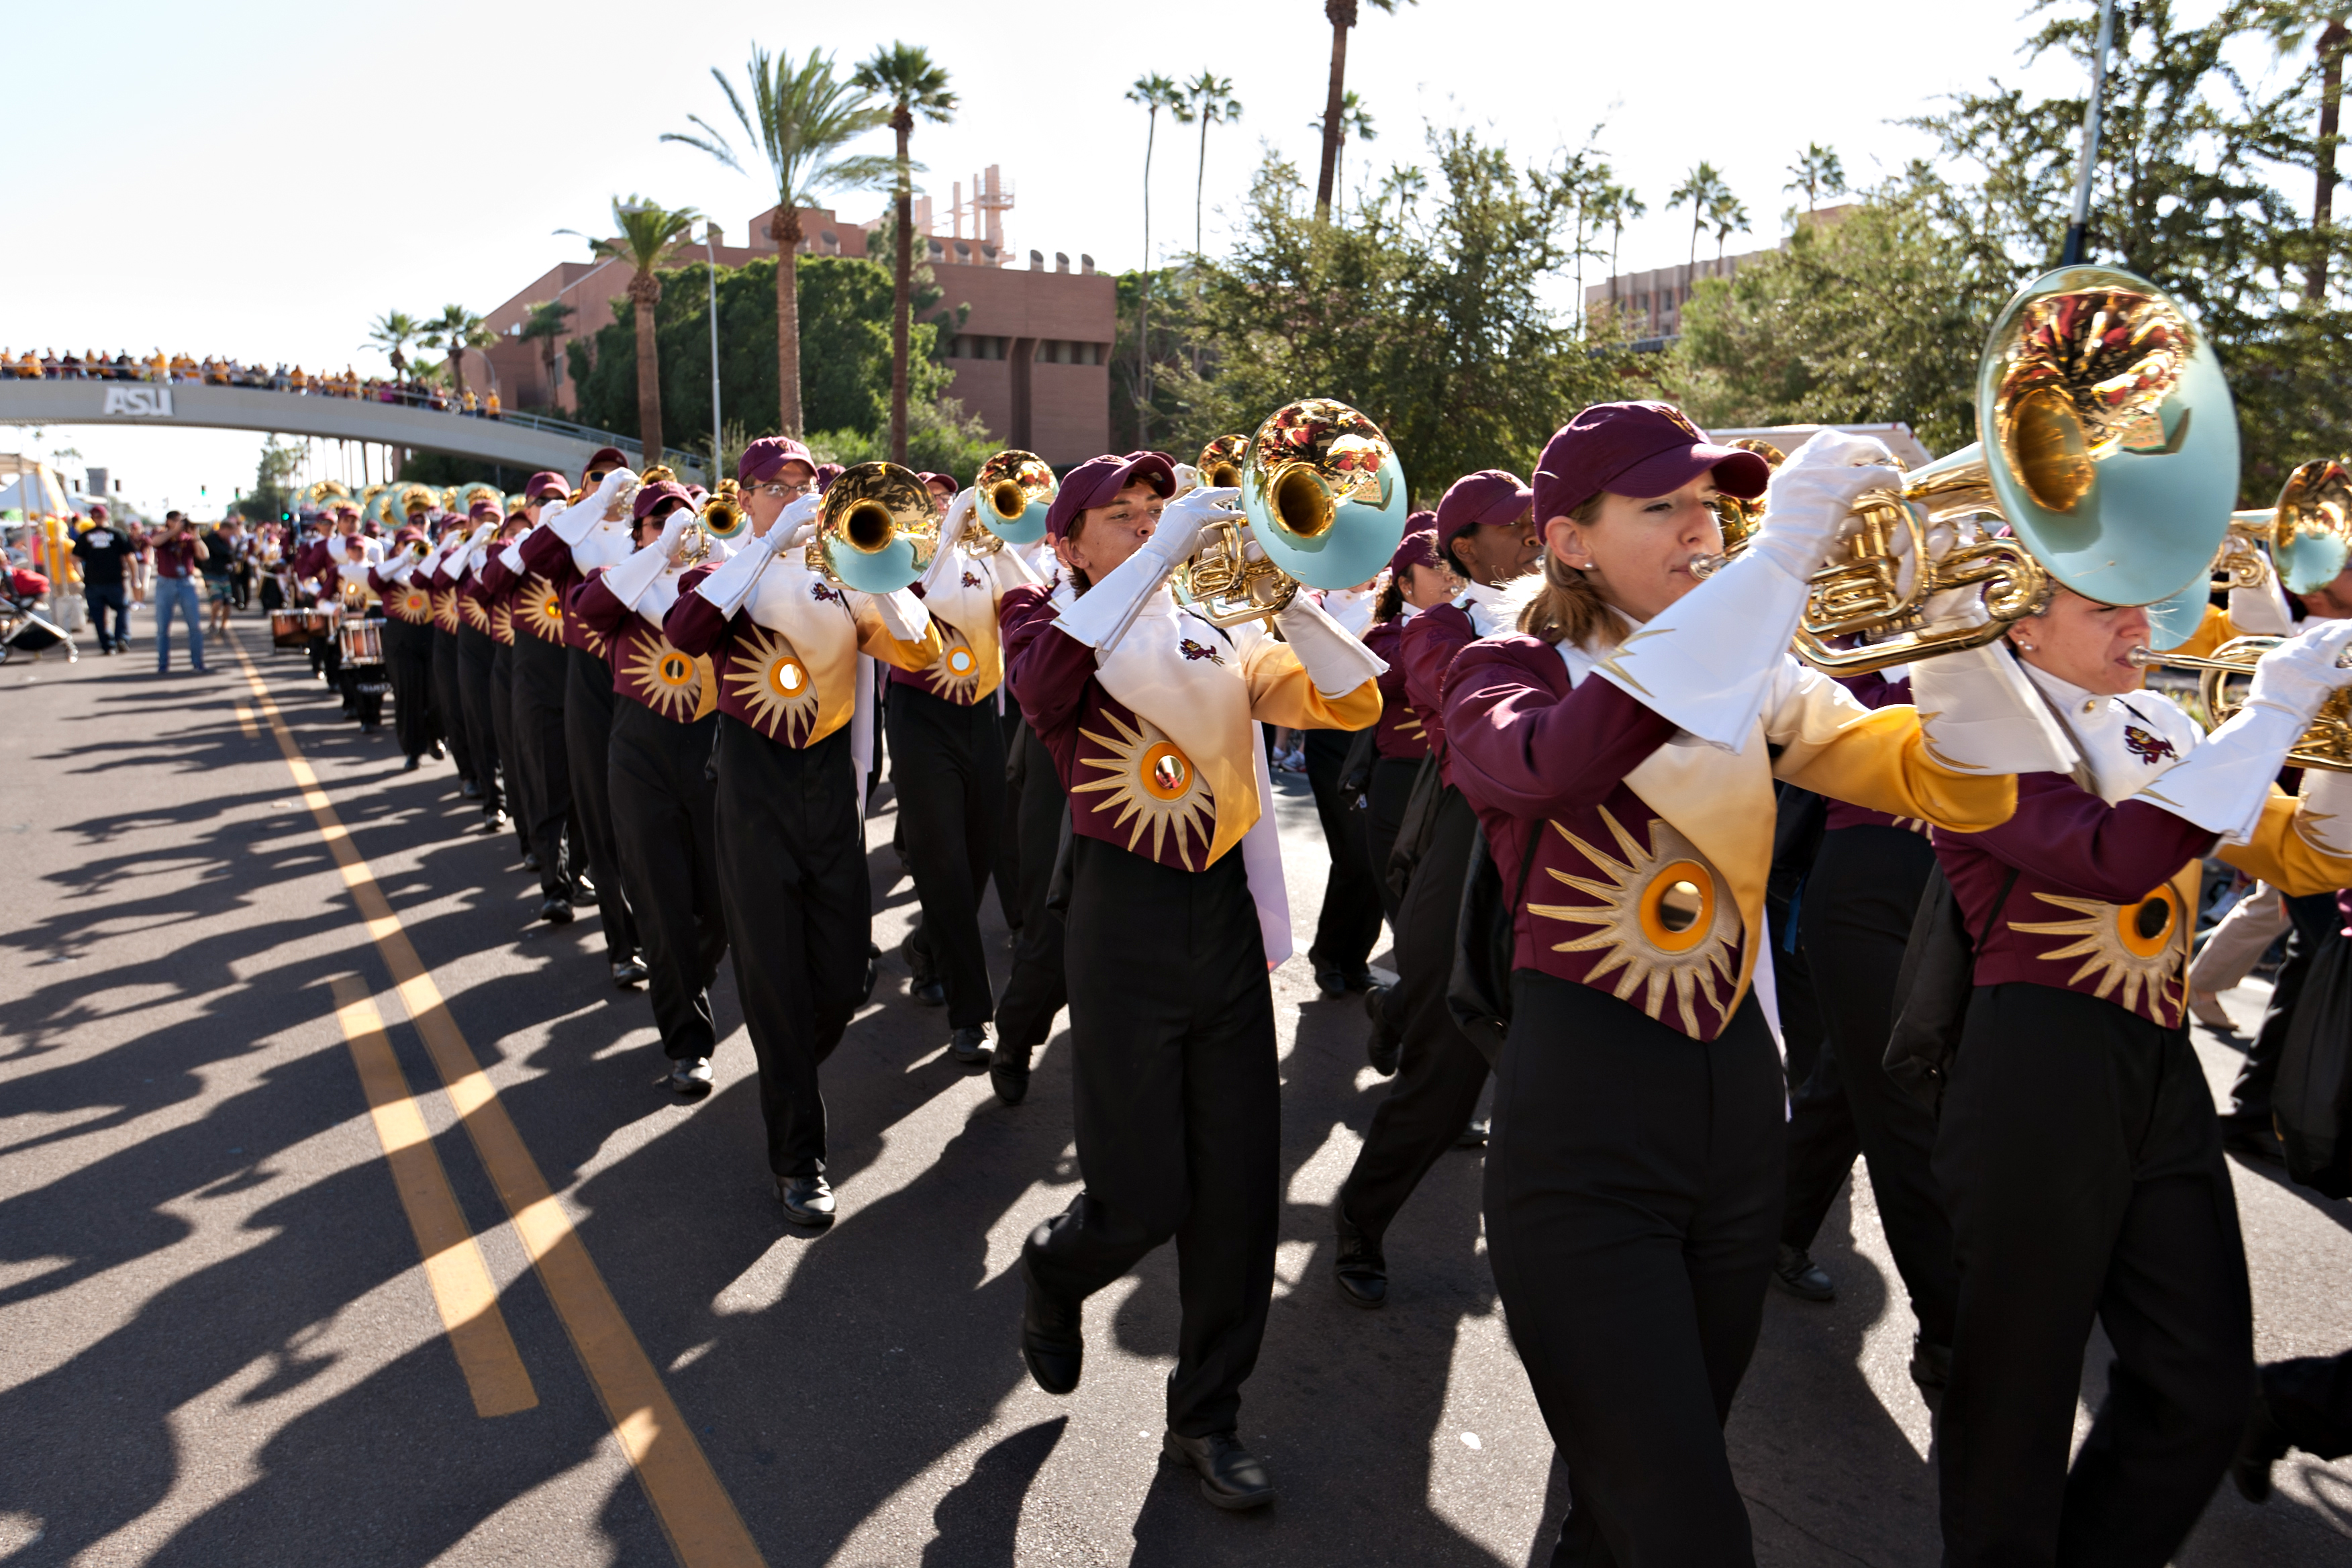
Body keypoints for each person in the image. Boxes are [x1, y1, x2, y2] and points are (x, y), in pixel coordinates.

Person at [1442, 406, 2043, 1563]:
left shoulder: (1755, 675)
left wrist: (1957, 630)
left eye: (1709, 507)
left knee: (1616, 1524)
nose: (1699, 529)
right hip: (1580, 1155)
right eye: (1658, 506)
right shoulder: (1502, 668)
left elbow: (1949, 784)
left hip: (1731, 1142)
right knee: (1691, 1535)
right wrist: (1772, 562)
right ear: (1566, 541)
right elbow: (1551, 767)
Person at [1926, 587, 2352, 1565]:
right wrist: (2278, 703)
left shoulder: (2158, 715)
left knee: (2201, 1389)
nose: (2141, 630)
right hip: (2033, 1057)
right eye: (2105, 609)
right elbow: (2110, 860)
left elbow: (2312, 854)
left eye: (2141, 607)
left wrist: (2337, 737)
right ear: (2020, 622)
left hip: (2156, 1060)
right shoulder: (1970, 710)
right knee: (2016, 1396)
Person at [1003, 452, 1386, 1511]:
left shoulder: (1216, 624)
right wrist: (1165, 548)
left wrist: (1290, 599)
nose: (1143, 527)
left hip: (1216, 916)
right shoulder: (1042, 618)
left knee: (1235, 1195)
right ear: (1069, 541)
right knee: (1137, 1199)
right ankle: (1055, 1268)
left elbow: (1353, 703)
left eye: (1152, 513)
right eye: (1116, 518)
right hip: (1119, 922)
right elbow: (1044, 694)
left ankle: (1207, 1417)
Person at [664, 437, 944, 1229]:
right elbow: (686, 633)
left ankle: (784, 1068)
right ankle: (799, 1157)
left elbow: (920, 650)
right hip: (752, 788)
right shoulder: (720, 574)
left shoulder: (840, 574)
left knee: (847, 975)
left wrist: (881, 575)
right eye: (778, 485)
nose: (795, 495)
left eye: (806, 484)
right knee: (775, 978)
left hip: (828, 786)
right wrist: (763, 547)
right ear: (744, 494)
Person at [1334, 472, 1539, 1309]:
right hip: (1468, 848)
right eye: (1514, 524)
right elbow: (1443, 693)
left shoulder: (1566, 604)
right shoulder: (1438, 626)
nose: (1533, 533)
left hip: (1557, 850)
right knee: (1444, 1069)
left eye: (1538, 520)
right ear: (1463, 549)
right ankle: (1360, 1218)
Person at [1769, 665, 1963, 1395]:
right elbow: (1824, 729)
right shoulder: (1856, 636)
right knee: (1905, 1094)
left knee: (1849, 1082)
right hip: (1871, 874)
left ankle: (1770, 1225)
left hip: (1961, 873)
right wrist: (1928, 649)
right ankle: (1948, 1322)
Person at [573, 481, 734, 1093]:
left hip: (712, 755)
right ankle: (687, 1045)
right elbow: (591, 609)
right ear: (638, 532)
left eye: (680, 520)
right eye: (656, 521)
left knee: (721, 904)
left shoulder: (719, 577)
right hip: (640, 757)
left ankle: (686, 973)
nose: (671, 528)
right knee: (663, 908)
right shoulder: (617, 577)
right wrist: (658, 550)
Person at [889, 486, 1043, 1067]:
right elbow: (912, 598)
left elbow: (1034, 595)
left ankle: (926, 947)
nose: (953, 510)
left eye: (952, 501)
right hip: (919, 715)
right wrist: (948, 531)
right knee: (942, 860)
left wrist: (999, 546)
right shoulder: (904, 551)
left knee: (977, 856)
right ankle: (972, 1015)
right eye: (939, 504)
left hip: (980, 714)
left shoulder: (985, 556)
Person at [516, 461, 644, 980]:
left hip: (648, 679)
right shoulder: (575, 535)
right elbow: (531, 555)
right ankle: (622, 946)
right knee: (602, 813)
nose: (612, 484)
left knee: (651, 818)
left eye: (620, 477)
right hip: (590, 679)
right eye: (597, 478)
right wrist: (592, 504)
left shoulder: (651, 528)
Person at [487, 460, 616, 924]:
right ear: (528, 507)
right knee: (545, 779)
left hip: (581, 676)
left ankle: (577, 871)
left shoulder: (590, 539)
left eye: (559, 501)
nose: (551, 508)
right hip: (536, 677)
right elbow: (493, 583)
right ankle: (553, 884)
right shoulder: (523, 545)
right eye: (542, 502)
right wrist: (540, 534)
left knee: (587, 786)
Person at [371, 525, 446, 771]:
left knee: (436, 693)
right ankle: (413, 750)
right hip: (401, 638)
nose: (415, 550)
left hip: (431, 633)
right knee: (407, 694)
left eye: (418, 544)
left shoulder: (429, 568)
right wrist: (402, 560)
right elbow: (374, 580)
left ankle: (435, 737)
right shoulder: (389, 569)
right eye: (407, 545)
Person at [144, 512, 208, 674]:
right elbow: (154, 542)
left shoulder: (188, 539)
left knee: (195, 626)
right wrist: (174, 531)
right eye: (178, 521)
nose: (181, 525)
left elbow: (204, 555)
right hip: (165, 582)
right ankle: (163, 664)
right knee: (162, 628)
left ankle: (198, 662)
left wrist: (196, 537)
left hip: (186, 582)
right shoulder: (162, 535)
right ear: (169, 522)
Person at [71, 506, 136, 654]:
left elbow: (74, 559)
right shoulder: (117, 534)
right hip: (114, 580)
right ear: (107, 517)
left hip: (94, 582)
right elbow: (130, 557)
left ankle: (107, 645)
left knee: (99, 616)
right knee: (121, 609)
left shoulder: (86, 536)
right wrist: (135, 578)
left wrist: (81, 575)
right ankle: (121, 638)